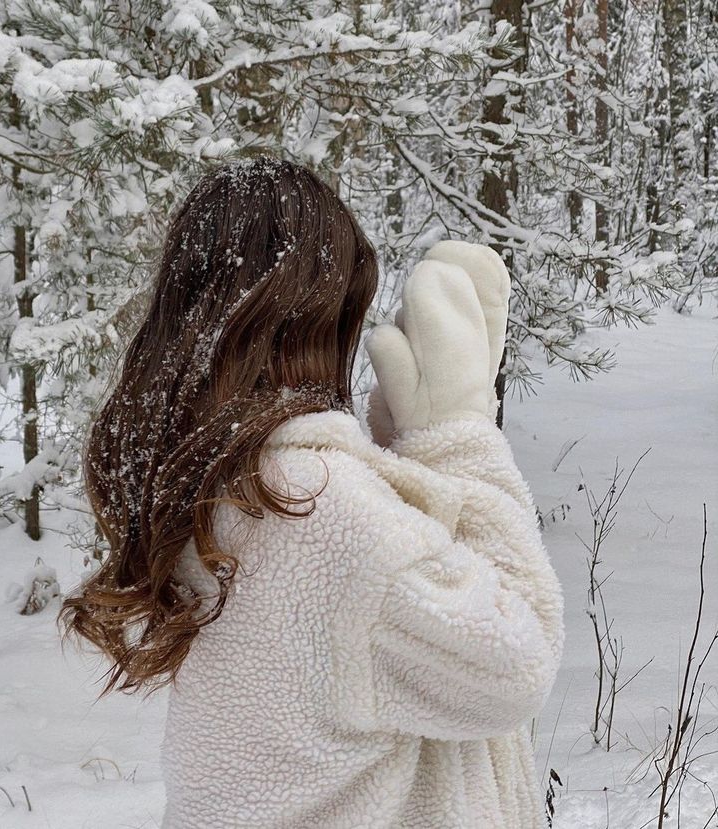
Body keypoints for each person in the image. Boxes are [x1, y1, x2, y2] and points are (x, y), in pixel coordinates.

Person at [58, 154, 564, 829]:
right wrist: (457, 433)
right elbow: (514, 662)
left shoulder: (212, 485)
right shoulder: (316, 506)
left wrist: (406, 462)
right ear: (317, 318)